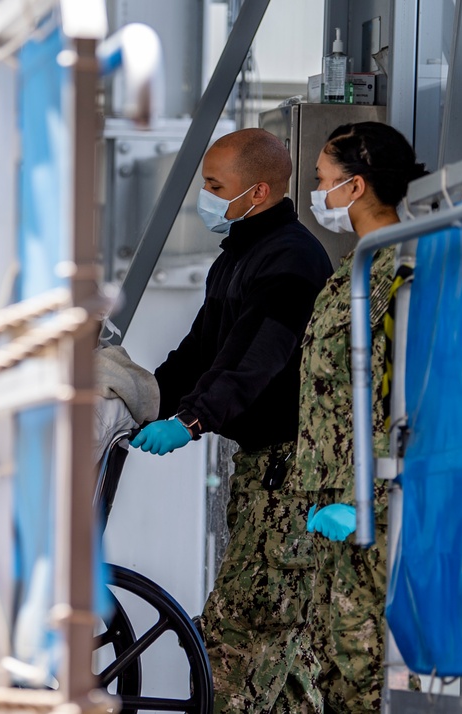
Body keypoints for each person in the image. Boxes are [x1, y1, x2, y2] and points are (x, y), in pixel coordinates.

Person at [131, 128, 333, 711]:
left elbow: (257, 361)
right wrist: (144, 400)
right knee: (264, 631)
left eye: (216, 187)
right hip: (260, 467)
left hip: (288, 471)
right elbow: (200, 351)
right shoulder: (240, 257)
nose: (207, 198)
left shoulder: (292, 259)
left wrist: (192, 421)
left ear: (258, 191)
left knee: (249, 627)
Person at [297, 121, 426, 713]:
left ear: (356, 186)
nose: (316, 192)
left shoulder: (400, 268)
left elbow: (402, 389)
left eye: (323, 181)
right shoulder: (359, 264)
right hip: (338, 501)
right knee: (339, 669)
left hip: (372, 507)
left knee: (371, 673)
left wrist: (370, 495)